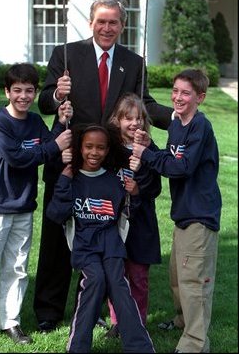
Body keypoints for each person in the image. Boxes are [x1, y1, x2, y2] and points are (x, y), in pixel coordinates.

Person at [34, 0, 174, 333]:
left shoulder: (133, 62)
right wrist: (56, 95)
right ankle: (48, 311)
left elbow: (145, 103)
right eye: (101, 21)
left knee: (100, 235)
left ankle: (94, 306)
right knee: (57, 233)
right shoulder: (66, 54)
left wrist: (179, 118)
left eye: (114, 22)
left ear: (122, 26)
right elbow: (44, 100)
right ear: (91, 22)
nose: (107, 28)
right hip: (70, 158)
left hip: (108, 165)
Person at [0, 63, 72, 344]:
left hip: (24, 206)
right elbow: (18, 157)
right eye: (17, 91)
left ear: (35, 92)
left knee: (17, 267)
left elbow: (51, 150)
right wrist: (55, 146)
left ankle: (10, 323)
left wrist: (61, 120)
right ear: (7, 91)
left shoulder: (36, 122)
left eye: (28, 90)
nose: (23, 96)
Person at [131, 69, 222, 353]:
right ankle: (183, 321)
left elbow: (181, 168)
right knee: (177, 276)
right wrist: (151, 146)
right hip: (183, 214)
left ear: (200, 98)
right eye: (175, 91)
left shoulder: (200, 127)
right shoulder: (177, 123)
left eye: (185, 93)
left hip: (200, 214)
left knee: (194, 282)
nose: (177, 97)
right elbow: (169, 158)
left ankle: (195, 344)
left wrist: (145, 155)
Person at [46, 123, 156, 353]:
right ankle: (77, 347)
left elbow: (130, 213)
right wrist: (64, 181)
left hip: (111, 244)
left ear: (107, 150)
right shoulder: (72, 179)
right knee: (94, 280)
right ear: (80, 148)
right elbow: (56, 213)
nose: (94, 153)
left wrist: (134, 193)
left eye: (100, 148)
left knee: (118, 284)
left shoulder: (113, 181)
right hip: (85, 245)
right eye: (88, 147)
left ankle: (139, 347)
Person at [104, 92, 162, 339]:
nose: (134, 123)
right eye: (128, 118)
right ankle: (117, 321)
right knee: (116, 276)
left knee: (138, 277)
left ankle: (137, 322)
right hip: (113, 223)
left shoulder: (149, 149)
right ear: (118, 120)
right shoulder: (110, 148)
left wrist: (138, 187)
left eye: (139, 118)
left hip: (140, 224)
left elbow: (156, 188)